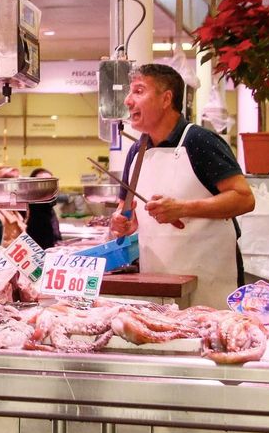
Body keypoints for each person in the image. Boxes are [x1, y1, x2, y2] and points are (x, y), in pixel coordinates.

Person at [108, 63, 255, 307]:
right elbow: (126, 208)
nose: (128, 101)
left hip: (210, 283)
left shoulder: (199, 140)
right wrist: (122, 222)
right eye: (129, 92)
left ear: (166, 99)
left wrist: (183, 208)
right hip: (158, 284)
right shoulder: (136, 151)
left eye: (139, 91)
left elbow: (244, 198)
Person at [26, 167, 61, 249]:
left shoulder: (49, 205)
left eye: (50, 182)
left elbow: (54, 230)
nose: (47, 187)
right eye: (42, 182)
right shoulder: (27, 207)